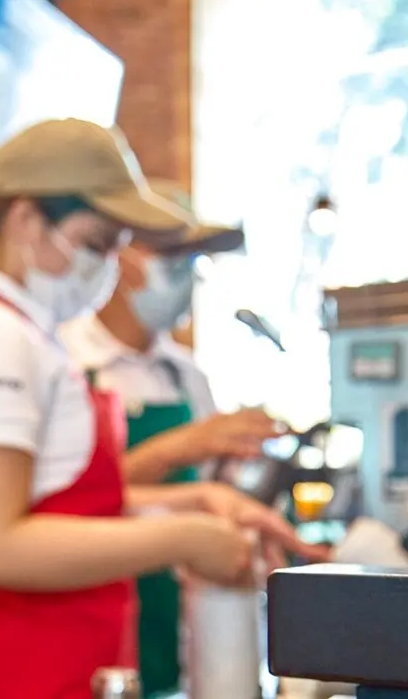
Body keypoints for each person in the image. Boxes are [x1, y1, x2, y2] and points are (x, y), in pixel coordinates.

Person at [0, 119, 319, 699]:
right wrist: (183, 537)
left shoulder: (21, 333)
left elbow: (60, 504)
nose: (107, 265)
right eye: (98, 243)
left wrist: (193, 500)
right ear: (26, 220)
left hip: (47, 656)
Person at [59, 181, 288, 697]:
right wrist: (181, 447)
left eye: (192, 260)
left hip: (176, 612)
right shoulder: (68, 362)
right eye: (172, 256)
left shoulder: (186, 376)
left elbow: (201, 496)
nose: (182, 275)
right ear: (121, 255)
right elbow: (71, 500)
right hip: (88, 600)